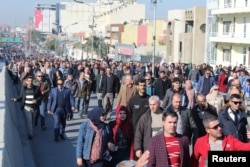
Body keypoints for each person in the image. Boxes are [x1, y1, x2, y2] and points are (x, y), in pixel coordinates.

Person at [11, 75, 42, 140]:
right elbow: (21, 97)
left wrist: (36, 100)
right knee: (29, 120)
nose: (30, 82)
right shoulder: (23, 88)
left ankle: (31, 130)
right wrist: (16, 99)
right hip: (27, 107)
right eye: (29, 81)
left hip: (34, 107)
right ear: (26, 82)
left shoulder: (36, 88)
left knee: (33, 121)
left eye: (31, 81)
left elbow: (40, 96)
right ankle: (30, 134)